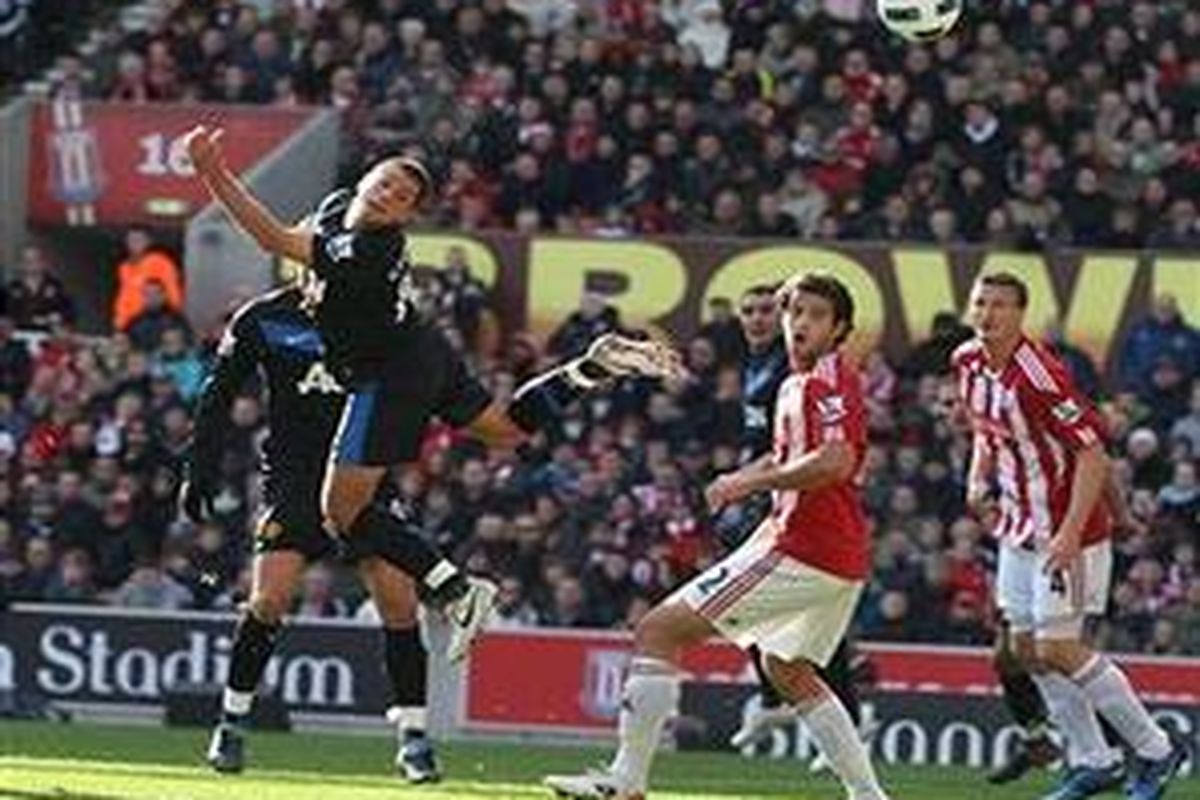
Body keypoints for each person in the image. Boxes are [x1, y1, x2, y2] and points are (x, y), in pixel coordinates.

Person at [182, 123, 683, 669]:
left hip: (390, 375)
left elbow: (273, 240)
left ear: (404, 219)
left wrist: (211, 171)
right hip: (424, 346)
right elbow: (301, 239)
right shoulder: (336, 210)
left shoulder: (367, 249)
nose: (390, 192)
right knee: (506, 430)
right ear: (366, 178)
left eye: (403, 196)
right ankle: (590, 367)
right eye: (387, 180)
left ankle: (455, 588)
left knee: (340, 512)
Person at [545, 273, 889, 800]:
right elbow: (795, 456)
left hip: (804, 548)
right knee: (787, 671)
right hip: (827, 551)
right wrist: (740, 479)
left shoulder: (828, 379)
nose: (800, 323)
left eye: (816, 315)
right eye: (795, 311)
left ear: (840, 327)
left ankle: (626, 781)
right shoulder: (796, 383)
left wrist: (750, 481)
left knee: (659, 630)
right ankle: (869, 796)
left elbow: (836, 461)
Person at [185, 285, 441, 781]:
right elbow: (218, 393)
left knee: (399, 600)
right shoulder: (264, 319)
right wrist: (199, 468)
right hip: (295, 479)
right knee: (269, 600)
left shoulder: (381, 315)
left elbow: (417, 385)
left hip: (362, 475)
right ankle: (231, 724)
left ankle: (414, 737)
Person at [953, 272, 1187, 800]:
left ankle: (1155, 749)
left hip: (1068, 534)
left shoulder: (1040, 375)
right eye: (980, 303)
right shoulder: (966, 361)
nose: (987, 313)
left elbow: (1092, 453)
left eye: (999, 305)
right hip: (1016, 527)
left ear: (1020, 314)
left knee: (1057, 647)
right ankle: (1094, 759)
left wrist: (1070, 532)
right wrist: (976, 475)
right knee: (1022, 650)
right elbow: (983, 431)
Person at [720, 284, 867, 761]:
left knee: (673, 624)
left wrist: (747, 482)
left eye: (768, 309)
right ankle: (792, 700)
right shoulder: (765, 369)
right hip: (775, 502)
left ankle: (797, 700)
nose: (762, 319)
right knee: (782, 637)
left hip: (796, 507)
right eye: (751, 311)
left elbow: (827, 454)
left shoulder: (804, 370)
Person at [113, 227, 185, 331]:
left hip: (152, 323)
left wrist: (174, 319)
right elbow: (124, 297)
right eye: (131, 240)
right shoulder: (125, 268)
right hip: (129, 324)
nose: (134, 244)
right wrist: (120, 322)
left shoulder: (160, 262)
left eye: (139, 240)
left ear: (148, 242)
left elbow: (173, 293)